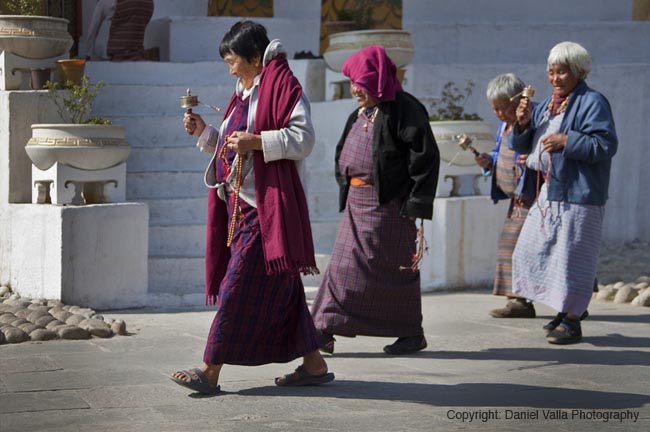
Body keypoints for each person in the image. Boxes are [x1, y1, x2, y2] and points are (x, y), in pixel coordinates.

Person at [171, 21, 334, 394]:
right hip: (239, 208)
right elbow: (234, 145)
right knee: (285, 289)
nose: (229, 68)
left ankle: (209, 370)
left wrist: (257, 141)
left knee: (237, 286)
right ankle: (313, 362)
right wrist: (205, 133)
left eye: (233, 60)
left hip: (268, 209)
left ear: (253, 57)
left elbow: (303, 139)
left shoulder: (283, 85)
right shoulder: (243, 92)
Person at [310, 46, 440, 356]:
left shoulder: (406, 109)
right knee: (341, 267)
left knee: (396, 271)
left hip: (390, 207)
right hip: (358, 203)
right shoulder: (363, 111)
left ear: (378, 80)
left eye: (361, 82)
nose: (355, 89)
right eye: (354, 82)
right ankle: (324, 328)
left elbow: (426, 158)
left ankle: (410, 333)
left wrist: (416, 205)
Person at [510, 41, 617, 345]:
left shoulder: (593, 102)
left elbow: (606, 145)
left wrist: (567, 142)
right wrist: (522, 125)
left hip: (579, 195)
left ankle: (572, 319)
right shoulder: (546, 105)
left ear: (578, 72)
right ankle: (564, 308)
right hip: (549, 192)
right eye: (551, 71)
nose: (555, 78)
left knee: (573, 258)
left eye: (562, 72)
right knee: (532, 252)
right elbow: (523, 146)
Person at [475, 73, 540, 319]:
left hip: (532, 198)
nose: (500, 114)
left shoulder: (533, 122)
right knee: (509, 247)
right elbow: (498, 151)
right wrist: (489, 161)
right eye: (495, 109)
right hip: (516, 199)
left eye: (503, 108)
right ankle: (517, 301)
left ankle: (569, 302)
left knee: (527, 248)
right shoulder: (506, 126)